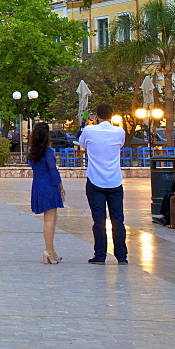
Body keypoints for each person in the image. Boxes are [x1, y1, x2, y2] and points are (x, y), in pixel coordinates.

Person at [79, 103, 128, 265]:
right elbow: (120, 145)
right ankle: (122, 256)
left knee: (99, 220)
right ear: (112, 115)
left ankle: (100, 255)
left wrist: (90, 124)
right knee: (118, 219)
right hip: (114, 180)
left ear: (97, 116)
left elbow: (82, 145)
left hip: (95, 180)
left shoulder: (89, 130)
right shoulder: (119, 131)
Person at [27, 122, 65, 264]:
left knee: (51, 218)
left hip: (37, 185)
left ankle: (52, 251)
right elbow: (53, 170)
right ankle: (48, 251)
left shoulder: (33, 152)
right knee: (50, 219)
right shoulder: (48, 152)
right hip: (49, 186)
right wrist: (60, 186)